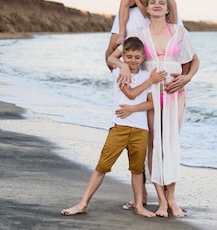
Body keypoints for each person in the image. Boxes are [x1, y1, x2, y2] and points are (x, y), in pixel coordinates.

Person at [105, 0, 199, 210]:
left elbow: (195, 61)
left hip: (175, 91)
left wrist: (186, 78)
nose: (156, 5)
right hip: (151, 93)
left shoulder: (179, 32)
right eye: (152, 2)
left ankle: (172, 199)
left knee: (171, 143)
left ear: (168, 9)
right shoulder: (138, 34)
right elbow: (113, 58)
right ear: (147, 8)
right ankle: (160, 200)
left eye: (161, 3)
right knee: (154, 144)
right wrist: (123, 67)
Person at [61, 37, 167, 218]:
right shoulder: (119, 72)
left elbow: (152, 104)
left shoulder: (146, 75)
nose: (133, 60)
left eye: (137, 57)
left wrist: (133, 108)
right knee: (103, 166)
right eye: (129, 56)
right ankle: (82, 203)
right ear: (123, 56)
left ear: (143, 58)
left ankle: (139, 206)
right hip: (120, 127)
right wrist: (150, 81)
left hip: (140, 130)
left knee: (137, 170)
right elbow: (131, 94)